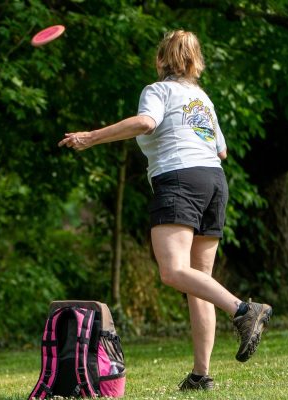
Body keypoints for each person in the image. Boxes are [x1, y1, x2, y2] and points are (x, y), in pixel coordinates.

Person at [58, 30, 272, 391]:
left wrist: (91, 137)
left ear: (160, 61)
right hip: (214, 181)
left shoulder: (157, 90)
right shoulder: (203, 99)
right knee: (198, 281)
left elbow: (146, 123)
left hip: (180, 179)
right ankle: (201, 375)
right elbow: (221, 150)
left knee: (173, 271)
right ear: (195, 62)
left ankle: (243, 310)